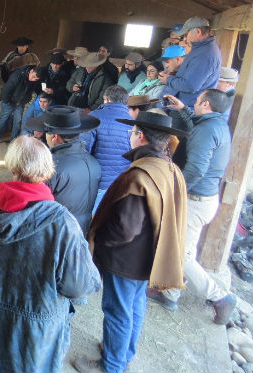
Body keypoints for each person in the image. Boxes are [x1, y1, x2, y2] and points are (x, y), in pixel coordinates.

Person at [0, 135, 101, 373]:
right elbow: (78, 286)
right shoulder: (62, 223)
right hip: (34, 336)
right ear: (47, 171)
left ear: (12, 166)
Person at [74, 110, 189, 373]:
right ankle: (124, 354)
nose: (131, 136)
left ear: (140, 137)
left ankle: (111, 366)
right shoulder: (169, 167)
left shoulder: (140, 176)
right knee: (136, 305)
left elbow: (124, 229)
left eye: (132, 132)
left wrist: (99, 242)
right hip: (149, 254)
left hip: (125, 259)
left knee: (117, 311)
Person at [149, 90, 237, 324]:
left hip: (195, 200)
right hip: (206, 198)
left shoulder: (206, 131)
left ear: (205, 104)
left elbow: (197, 168)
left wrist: (177, 189)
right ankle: (170, 292)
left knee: (182, 253)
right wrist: (183, 110)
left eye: (197, 102)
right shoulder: (216, 123)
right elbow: (197, 122)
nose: (195, 105)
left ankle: (220, 297)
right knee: (183, 246)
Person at [26, 106, 101, 233]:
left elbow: (34, 207)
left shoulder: (49, 166)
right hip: (82, 232)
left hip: (56, 233)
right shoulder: (94, 163)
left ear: (54, 136)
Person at [80, 85, 132, 212]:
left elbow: (83, 150)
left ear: (107, 100)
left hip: (98, 182)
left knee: (92, 222)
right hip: (122, 184)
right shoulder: (133, 122)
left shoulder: (95, 117)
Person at [160, 16, 221, 108]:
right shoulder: (200, 49)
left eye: (186, 35)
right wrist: (173, 75)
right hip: (183, 104)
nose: (184, 39)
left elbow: (190, 86)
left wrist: (168, 79)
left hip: (189, 107)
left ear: (198, 32)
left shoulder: (204, 54)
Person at [0, 65, 45, 143]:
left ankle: (13, 139)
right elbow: (7, 88)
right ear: (31, 71)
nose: (34, 79)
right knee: (3, 118)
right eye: (34, 76)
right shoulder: (17, 75)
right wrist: (6, 100)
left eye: (36, 79)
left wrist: (43, 94)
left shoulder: (36, 80)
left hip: (21, 102)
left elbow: (39, 89)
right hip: (9, 100)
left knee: (17, 121)